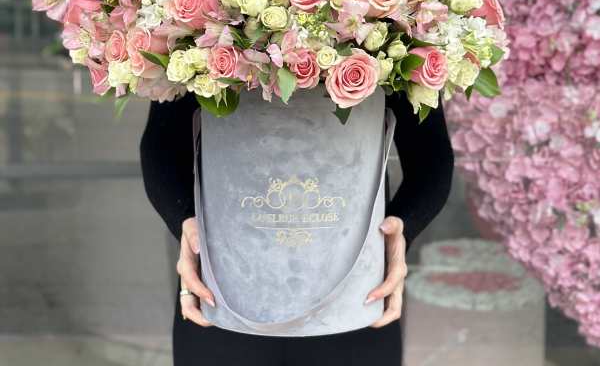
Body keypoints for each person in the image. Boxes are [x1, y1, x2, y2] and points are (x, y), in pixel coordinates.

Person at [140, 91, 454, 365]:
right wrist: (185, 223)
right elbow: (161, 144)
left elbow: (431, 156)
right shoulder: (199, 39)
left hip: (355, 303)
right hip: (221, 298)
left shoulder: (395, 39)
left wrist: (401, 230)